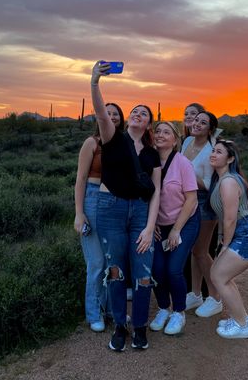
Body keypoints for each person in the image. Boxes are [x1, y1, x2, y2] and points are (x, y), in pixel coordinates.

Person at [90, 61, 161, 351]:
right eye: (134, 111)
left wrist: (149, 227)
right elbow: (99, 111)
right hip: (110, 209)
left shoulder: (153, 154)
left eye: (143, 113)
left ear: (147, 124)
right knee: (116, 270)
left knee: (143, 274)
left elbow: (155, 192)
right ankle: (120, 325)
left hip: (141, 211)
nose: (137, 114)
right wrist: (94, 81)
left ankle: (140, 327)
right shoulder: (112, 138)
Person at [208, 140, 248, 339]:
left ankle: (242, 325)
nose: (213, 154)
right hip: (246, 234)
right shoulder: (223, 180)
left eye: (219, 152)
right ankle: (241, 318)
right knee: (223, 277)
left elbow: (230, 217)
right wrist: (221, 239)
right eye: (213, 150)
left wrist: (225, 245)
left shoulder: (228, 181)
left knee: (218, 276)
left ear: (230, 159)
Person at [74, 103, 124, 332]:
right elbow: (81, 179)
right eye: (108, 113)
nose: (111, 117)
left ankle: (113, 310)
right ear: (100, 117)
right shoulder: (92, 143)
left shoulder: (122, 145)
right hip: (93, 200)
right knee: (96, 262)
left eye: (116, 114)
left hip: (116, 202)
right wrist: (79, 213)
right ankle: (95, 313)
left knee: (113, 260)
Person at [149, 121, 200, 334]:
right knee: (157, 269)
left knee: (173, 269)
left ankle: (178, 312)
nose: (161, 135)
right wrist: (152, 225)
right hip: (159, 225)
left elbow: (191, 199)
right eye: (157, 131)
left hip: (184, 222)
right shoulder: (148, 162)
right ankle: (163, 308)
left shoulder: (182, 163)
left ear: (175, 140)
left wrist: (176, 229)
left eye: (166, 132)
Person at [182, 111, 222, 318]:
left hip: (204, 203)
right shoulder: (187, 140)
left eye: (203, 122)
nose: (197, 124)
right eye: (196, 120)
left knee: (200, 251)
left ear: (210, 129)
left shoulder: (210, 151)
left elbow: (208, 184)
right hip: (187, 200)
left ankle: (215, 297)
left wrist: (186, 175)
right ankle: (195, 294)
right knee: (192, 249)